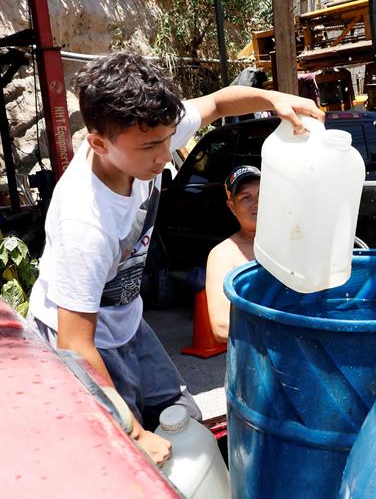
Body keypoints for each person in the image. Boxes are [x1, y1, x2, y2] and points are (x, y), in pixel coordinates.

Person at [27, 52, 324, 466]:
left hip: (127, 321)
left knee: (182, 417)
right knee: (125, 455)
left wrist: (273, 99)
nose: (165, 155)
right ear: (98, 142)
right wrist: (132, 430)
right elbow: (74, 344)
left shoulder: (149, 126)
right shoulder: (87, 221)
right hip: (87, 340)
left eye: (168, 139)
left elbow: (219, 102)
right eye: (150, 147)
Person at [205, 165, 261, 343]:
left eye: (263, 194)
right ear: (232, 206)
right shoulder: (223, 254)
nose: (257, 203)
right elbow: (221, 328)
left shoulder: (293, 244)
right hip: (256, 364)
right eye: (246, 197)